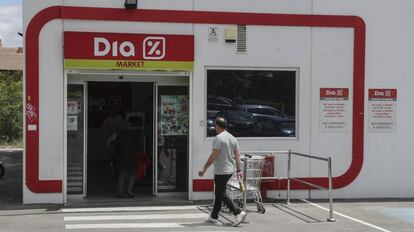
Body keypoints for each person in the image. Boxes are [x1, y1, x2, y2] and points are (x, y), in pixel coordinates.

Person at [198, 117, 247, 226]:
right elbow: (237, 155)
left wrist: (204, 168)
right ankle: (214, 216)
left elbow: (214, 155)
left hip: (221, 170)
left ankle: (238, 212)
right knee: (219, 193)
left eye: (215, 125)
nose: (214, 127)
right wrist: (239, 170)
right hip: (229, 170)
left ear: (219, 126)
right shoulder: (233, 138)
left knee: (221, 193)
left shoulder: (218, 138)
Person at [113, 128, 139, 198]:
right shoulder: (133, 136)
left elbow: (115, 148)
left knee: (122, 174)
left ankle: (120, 192)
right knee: (132, 174)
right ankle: (129, 191)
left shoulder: (118, 137)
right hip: (131, 157)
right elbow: (138, 147)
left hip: (121, 157)